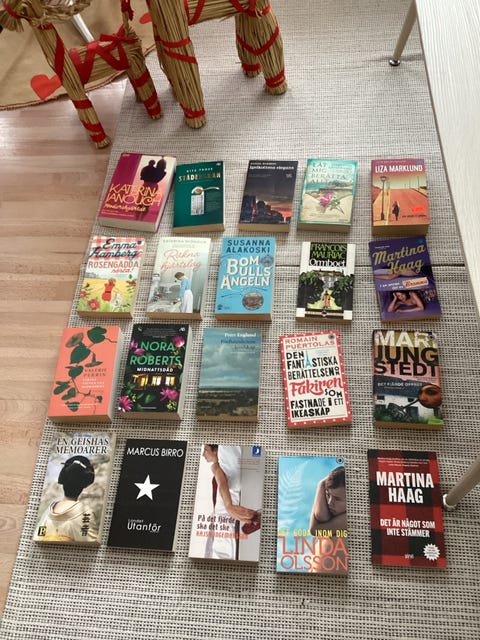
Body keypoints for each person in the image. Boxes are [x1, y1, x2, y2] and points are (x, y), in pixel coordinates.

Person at [202, 445, 260, 560]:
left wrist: (229, 506)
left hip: (226, 514)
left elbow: (222, 482)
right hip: (223, 515)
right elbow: (221, 483)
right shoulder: (216, 467)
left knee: (222, 552)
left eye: (206, 450)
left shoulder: (217, 466)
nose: (203, 454)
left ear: (216, 451)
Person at [35, 456, 98, 543]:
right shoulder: (86, 513)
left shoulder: (49, 511)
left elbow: (39, 537)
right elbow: (90, 545)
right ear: (85, 484)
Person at [309, 465, 347, 536]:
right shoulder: (338, 512)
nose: (330, 502)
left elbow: (314, 530)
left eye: (337, 499)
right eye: (328, 495)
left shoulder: (349, 518)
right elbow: (322, 516)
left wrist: (321, 484)